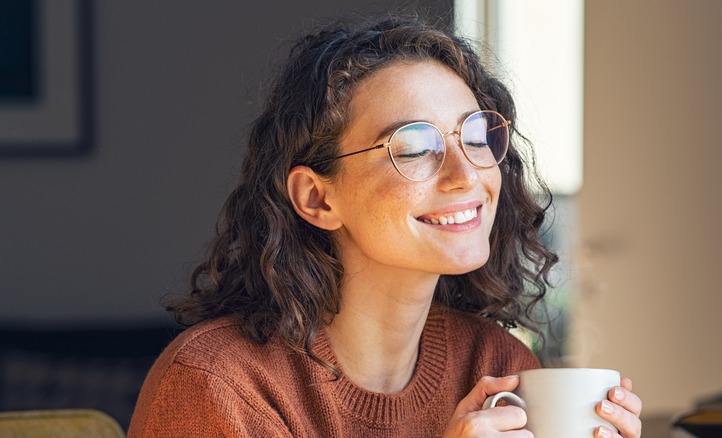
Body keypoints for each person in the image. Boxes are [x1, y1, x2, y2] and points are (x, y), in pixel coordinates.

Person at [128, 14, 642, 437]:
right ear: (317, 198)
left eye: (476, 135)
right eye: (415, 148)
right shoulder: (220, 387)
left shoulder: (493, 364)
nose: (466, 175)